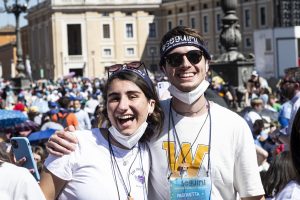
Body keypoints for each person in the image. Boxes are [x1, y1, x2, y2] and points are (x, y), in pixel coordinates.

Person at [46, 26, 264, 199]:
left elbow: (252, 196)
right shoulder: (150, 119)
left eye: (194, 56)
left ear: (208, 64)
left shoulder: (234, 125)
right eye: (175, 59)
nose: (185, 64)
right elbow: (108, 138)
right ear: (164, 69)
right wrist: (64, 141)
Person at [40, 61, 164, 200]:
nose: (123, 106)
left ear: (151, 105)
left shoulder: (151, 150)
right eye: (115, 98)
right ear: (106, 106)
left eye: (132, 96)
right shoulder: (73, 144)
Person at [0, 130, 46, 200]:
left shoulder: (43, 174)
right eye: (32, 158)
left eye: (37, 159)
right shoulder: (21, 174)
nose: (34, 162)